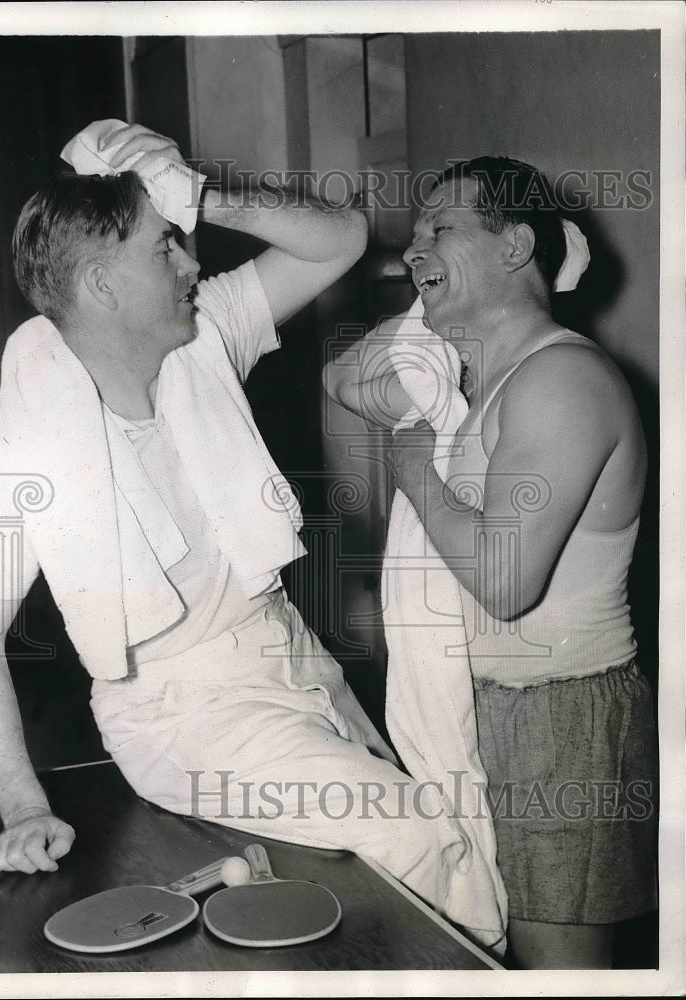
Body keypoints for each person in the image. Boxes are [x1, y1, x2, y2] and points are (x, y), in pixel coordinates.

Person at [0, 124, 507, 951]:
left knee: (427, 851)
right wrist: (25, 803)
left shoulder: (203, 336)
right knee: (421, 834)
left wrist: (201, 194)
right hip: (186, 717)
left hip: (294, 663)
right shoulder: (27, 453)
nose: (192, 263)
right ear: (103, 286)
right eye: (165, 248)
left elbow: (341, 241)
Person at [323, 156, 658, 969]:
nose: (413, 250)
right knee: (482, 960)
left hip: (559, 722)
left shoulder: (562, 380)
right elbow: (340, 377)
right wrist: (433, 279)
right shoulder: (482, 382)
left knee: (556, 979)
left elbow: (504, 582)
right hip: (481, 709)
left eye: (441, 227)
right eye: (413, 238)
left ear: (515, 246)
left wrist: (413, 470)